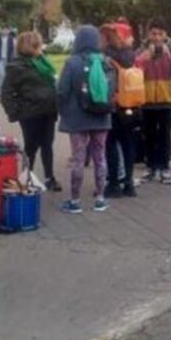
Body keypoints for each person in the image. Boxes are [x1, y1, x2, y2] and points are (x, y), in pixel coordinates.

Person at [57, 25, 113, 214]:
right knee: (100, 157)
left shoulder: (71, 62)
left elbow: (62, 91)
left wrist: (63, 110)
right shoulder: (106, 62)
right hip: (101, 117)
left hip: (77, 118)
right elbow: (112, 90)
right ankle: (100, 199)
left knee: (78, 159)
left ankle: (75, 200)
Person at [0, 31, 62, 192]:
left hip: (48, 111)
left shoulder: (43, 62)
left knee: (47, 145)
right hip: (30, 113)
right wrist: (16, 112)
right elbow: (6, 92)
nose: (41, 47)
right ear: (32, 46)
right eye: (39, 44)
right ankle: (26, 177)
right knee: (31, 146)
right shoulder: (17, 66)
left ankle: (49, 177)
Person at [101, 23, 140, 198]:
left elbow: (106, 82)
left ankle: (114, 183)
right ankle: (129, 183)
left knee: (110, 144)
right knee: (128, 144)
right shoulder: (131, 56)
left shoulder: (105, 58)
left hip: (114, 106)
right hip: (131, 104)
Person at [136, 22, 171, 185]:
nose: (157, 37)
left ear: (165, 35)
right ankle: (150, 167)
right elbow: (135, 69)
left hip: (166, 100)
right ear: (149, 35)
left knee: (165, 135)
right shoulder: (142, 51)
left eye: (160, 34)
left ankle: (164, 167)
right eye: (154, 33)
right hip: (147, 100)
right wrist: (146, 57)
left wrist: (169, 56)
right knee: (149, 135)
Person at [0, 28, 17, 94]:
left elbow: (13, 49)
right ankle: (1, 91)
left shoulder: (11, 39)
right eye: (3, 29)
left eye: (6, 30)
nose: (5, 31)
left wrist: (13, 58)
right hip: (0, 59)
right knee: (2, 75)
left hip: (8, 59)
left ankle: (6, 90)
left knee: (7, 75)